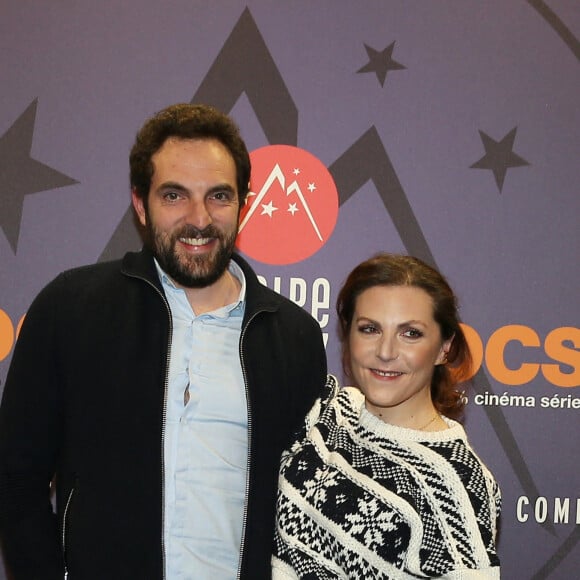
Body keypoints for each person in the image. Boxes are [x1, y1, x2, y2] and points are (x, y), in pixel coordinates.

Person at [0, 103, 327, 579]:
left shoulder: (293, 336)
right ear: (140, 204)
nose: (199, 219)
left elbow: (307, 507)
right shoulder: (70, 309)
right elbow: (15, 477)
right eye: (174, 196)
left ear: (245, 205)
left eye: (218, 196)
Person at [273, 253, 501, 579]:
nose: (385, 352)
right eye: (369, 329)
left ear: (444, 348)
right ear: (347, 335)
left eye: (410, 333)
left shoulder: (455, 482)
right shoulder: (325, 409)